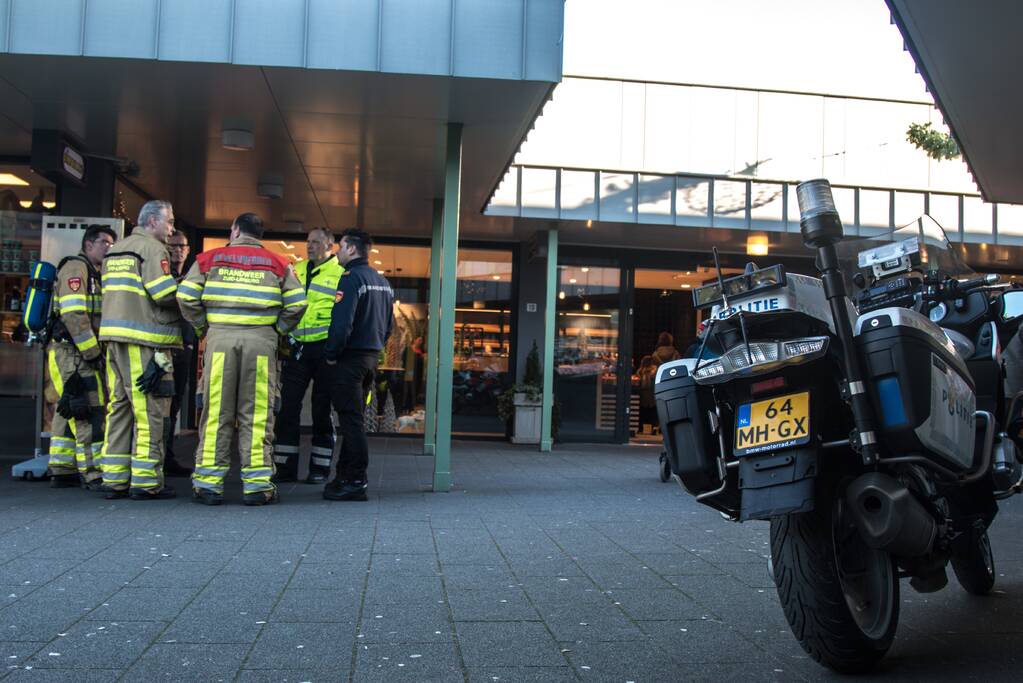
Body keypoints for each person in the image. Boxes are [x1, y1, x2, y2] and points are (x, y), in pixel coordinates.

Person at [177, 213, 307, 506]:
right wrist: (277, 329)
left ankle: (209, 485)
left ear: (234, 230)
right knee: (257, 414)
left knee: (216, 413)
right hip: (261, 343)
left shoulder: (209, 259)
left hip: (220, 340)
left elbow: (185, 296)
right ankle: (257, 487)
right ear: (260, 235)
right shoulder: (278, 263)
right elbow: (298, 303)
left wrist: (203, 327)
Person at [98, 201, 183, 500]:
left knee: (119, 408)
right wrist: (187, 290)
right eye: (169, 222)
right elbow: (162, 294)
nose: (172, 230)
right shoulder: (152, 249)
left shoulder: (116, 250)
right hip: (143, 340)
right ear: (152, 222)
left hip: (113, 338)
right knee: (150, 412)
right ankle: (146, 482)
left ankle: (114, 479)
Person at [323, 228, 393, 501]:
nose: (336, 252)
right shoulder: (382, 282)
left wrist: (331, 353)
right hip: (369, 360)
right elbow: (389, 327)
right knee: (354, 418)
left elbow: (341, 325)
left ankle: (355, 480)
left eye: (340, 247)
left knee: (351, 422)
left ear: (352, 249)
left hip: (348, 361)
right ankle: (344, 475)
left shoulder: (351, 279)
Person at [46, 224, 115, 490]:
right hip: (74, 352)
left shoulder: (94, 272)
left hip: (73, 351)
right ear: (88, 244)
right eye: (104, 243)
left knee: (69, 407)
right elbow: (74, 314)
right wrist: (91, 351)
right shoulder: (77, 269)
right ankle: (93, 471)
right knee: (88, 408)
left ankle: (62, 467)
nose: (108, 248)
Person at [272, 227, 344, 484]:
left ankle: (319, 468)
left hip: (324, 349)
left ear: (330, 246)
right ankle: (285, 467)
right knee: (288, 407)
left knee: (321, 410)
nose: (310, 246)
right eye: (308, 241)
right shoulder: (297, 270)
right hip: (298, 347)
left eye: (316, 242)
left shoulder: (340, 273)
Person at [164, 229, 196, 477]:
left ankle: (167, 455)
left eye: (181, 246)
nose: (178, 250)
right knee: (161, 404)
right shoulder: (161, 273)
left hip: (184, 346)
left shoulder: (190, 274)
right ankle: (159, 457)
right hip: (163, 347)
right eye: (173, 245)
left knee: (174, 403)